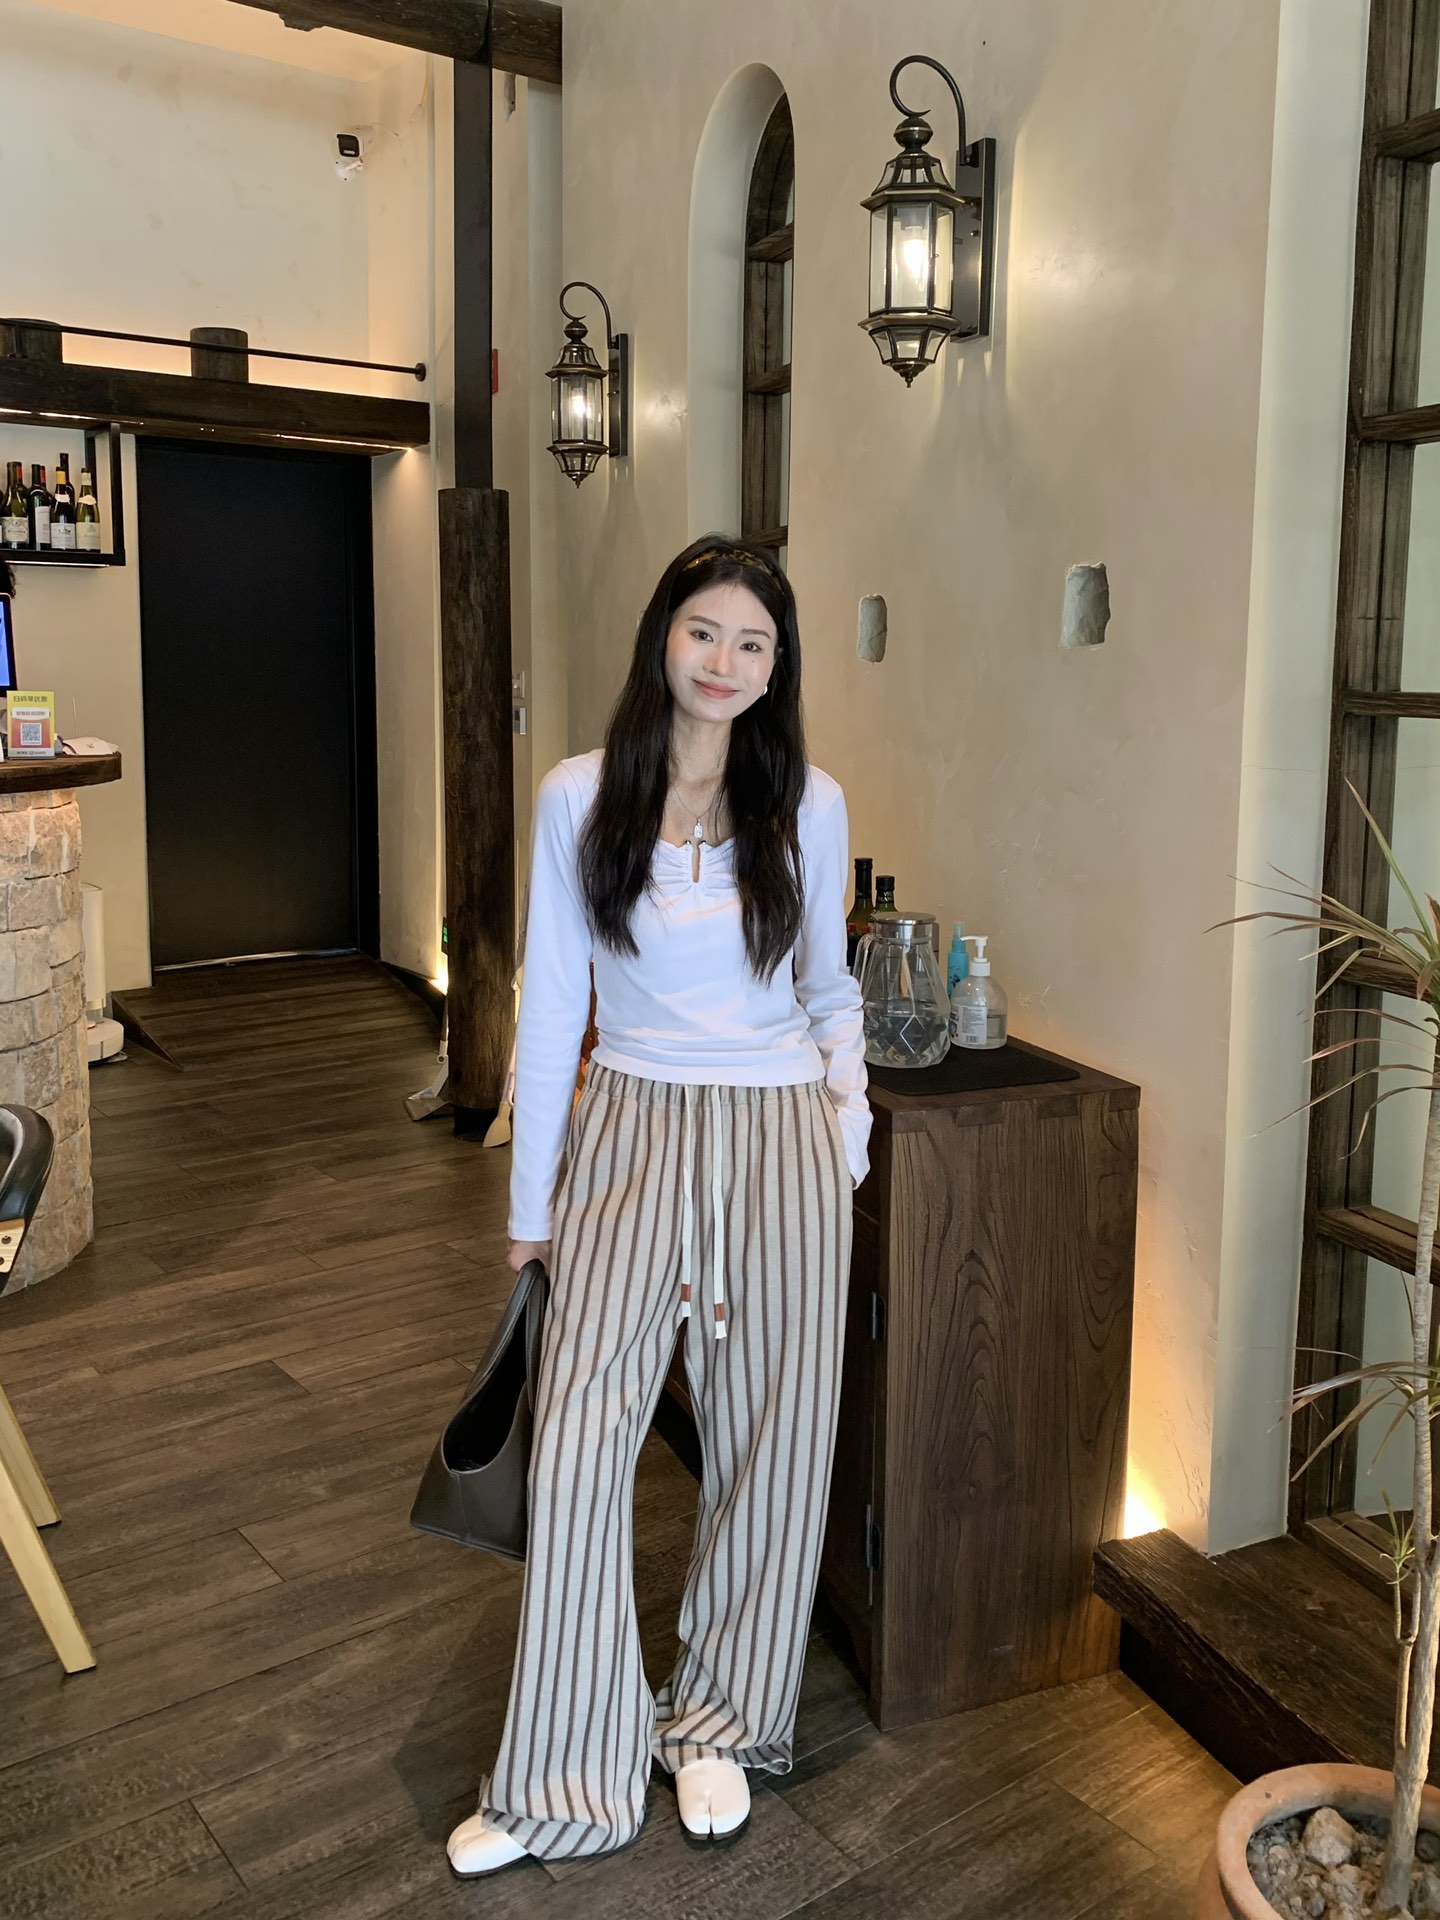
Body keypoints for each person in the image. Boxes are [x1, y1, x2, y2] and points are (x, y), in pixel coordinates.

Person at [446, 534, 871, 1873]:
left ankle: (720, 1723)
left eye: (755, 642)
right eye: (705, 631)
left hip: (783, 1134)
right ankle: (564, 1773)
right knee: (579, 1438)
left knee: (772, 1440)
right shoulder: (580, 796)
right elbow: (553, 1008)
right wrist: (531, 1202)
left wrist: (845, 1137)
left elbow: (830, 990)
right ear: (663, 637)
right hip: (629, 1118)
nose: (725, 661)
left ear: (777, 667)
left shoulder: (810, 804)